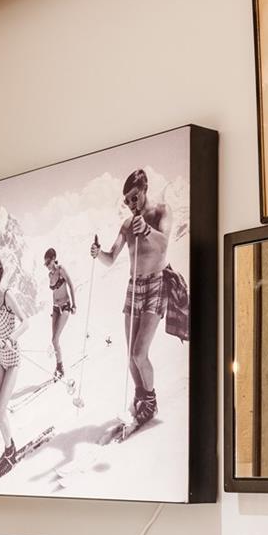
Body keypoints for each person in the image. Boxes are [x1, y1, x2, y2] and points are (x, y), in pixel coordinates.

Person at [91, 168, 171, 423]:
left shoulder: (161, 211)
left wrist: (147, 230)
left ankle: (151, 402)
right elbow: (111, 257)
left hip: (156, 282)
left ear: (145, 189)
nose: (130, 204)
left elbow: (165, 243)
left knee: (139, 353)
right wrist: (97, 253)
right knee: (130, 357)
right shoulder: (126, 225)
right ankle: (141, 398)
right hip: (134, 287)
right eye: (126, 200)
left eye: (134, 197)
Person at [0, 256, 28, 474]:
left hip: (13, 359)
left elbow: (25, 322)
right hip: (1, 358)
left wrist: (12, 338)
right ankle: (9, 448)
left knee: (0, 412)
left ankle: (11, 452)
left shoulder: (8, 295)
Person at [44, 247, 76, 379]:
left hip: (65, 306)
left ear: (53, 260)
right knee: (54, 340)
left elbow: (70, 284)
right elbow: (54, 292)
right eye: (45, 264)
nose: (46, 266)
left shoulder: (60, 270)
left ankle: (60, 368)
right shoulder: (50, 275)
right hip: (56, 308)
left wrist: (74, 304)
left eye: (47, 263)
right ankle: (59, 367)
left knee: (55, 338)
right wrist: (53, 310)